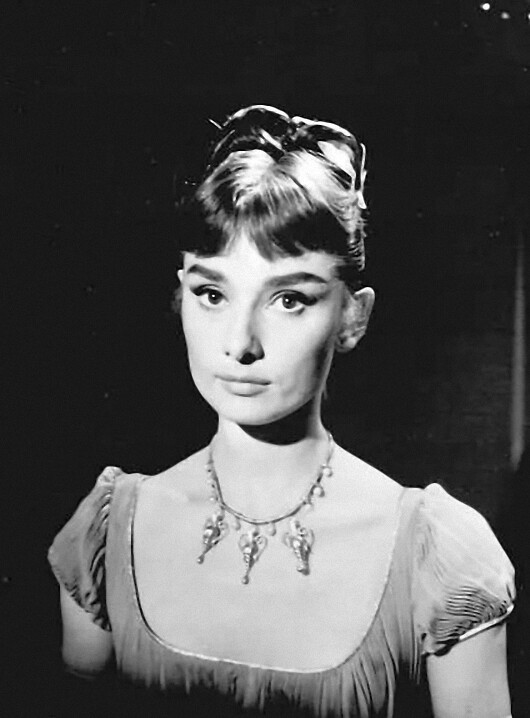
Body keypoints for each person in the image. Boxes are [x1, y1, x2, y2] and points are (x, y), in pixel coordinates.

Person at [48, 105, 515, 718]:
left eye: (289, 299)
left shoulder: (440, 556)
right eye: (211, 293)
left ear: (352, 317)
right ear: (180, 296)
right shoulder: (108, 534)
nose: (240, 343)